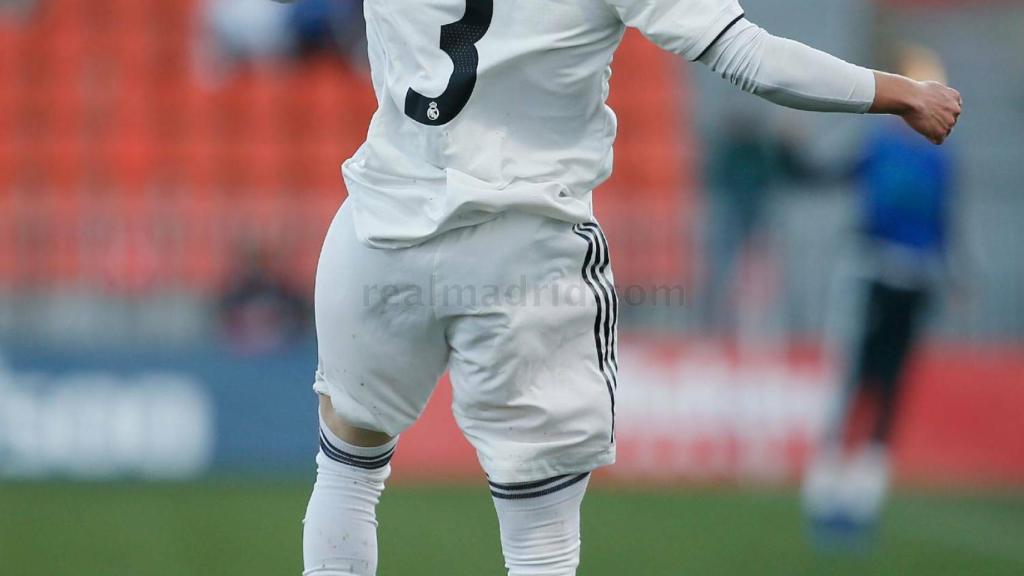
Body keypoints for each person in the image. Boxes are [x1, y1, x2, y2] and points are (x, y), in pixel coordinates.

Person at [284, 0, 961, 573]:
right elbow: (748, 56)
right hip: (524, 243)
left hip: (379, 227)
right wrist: (901, 92)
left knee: (346, 470)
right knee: (540, 537)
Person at [802, 45, 962, 546]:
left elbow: (943, 223)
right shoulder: (881, 145)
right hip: (871, 273)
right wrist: (792, 157)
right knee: (853, 383)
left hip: (913, 280)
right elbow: (831, 175)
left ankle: (861, 500)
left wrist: (952, 276)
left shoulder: (939, 162)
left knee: (890, 388)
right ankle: (825, 494)